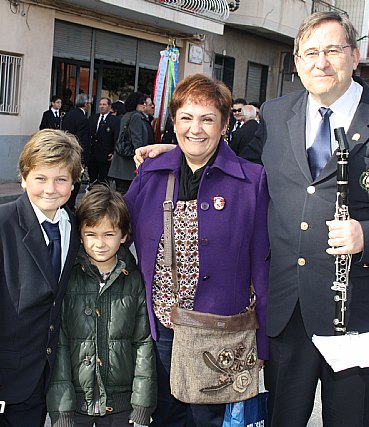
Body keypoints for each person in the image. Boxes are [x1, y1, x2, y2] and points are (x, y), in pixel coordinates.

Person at [135, 12, 369, 427]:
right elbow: (235, 170)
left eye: (333, 50)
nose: (322, 62)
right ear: (297, 62)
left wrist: (368, 233)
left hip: (355, 311)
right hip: (287, 311)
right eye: (311, 52)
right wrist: (174, 154)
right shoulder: (278, 114)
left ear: (354, 57)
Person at [125, 74, 269, 427]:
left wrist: (263, 340)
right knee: (165, 418)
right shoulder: (150, 175)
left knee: (211, 421)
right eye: (186, 118)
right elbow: (114, 231)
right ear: (173, 123)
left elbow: (263, 263)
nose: (196, 129)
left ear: (224, 125)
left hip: (221, 336)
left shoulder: (252, 181)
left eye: (207, 118)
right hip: (162, 331)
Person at [0, 129, 83, 427]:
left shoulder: (73, 227)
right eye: (40, 178)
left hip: (34, 382)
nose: (50, 188)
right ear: (23, 179)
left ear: (73, 184)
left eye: (61, 179)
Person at [47, 184, 156, 427]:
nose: (100, 243)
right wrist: (62, 412)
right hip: (76, 405)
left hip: (122, 405)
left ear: (125, 235)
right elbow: (60, 345)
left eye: (109, 234)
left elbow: (143, 345)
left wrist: (141, 408)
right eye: (91, 234)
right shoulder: (68, 278)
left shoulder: (134, 280)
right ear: (80, 235)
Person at [108, 92, 149, 194]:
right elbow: (137, 139)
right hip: (129, 167)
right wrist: (141, 158)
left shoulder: (127, 115)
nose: (144, 105)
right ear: (135, 103)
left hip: (120, 165)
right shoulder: (136, 117)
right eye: (142, 102)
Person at [62, 93, 91, 210]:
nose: (89, 106)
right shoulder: (83, 119)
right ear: (85, 104)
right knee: (76, 182)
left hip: (66, 152)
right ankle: (70, 206)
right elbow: (82, 141)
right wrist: (83, 160)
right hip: (77, 156)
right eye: (89, 103)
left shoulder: (68, 115)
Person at [88, 97, 120, 185]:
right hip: (93, 155)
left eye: (104, 105)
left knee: (104, 180)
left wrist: (114, 152)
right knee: (92, 179)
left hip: (105, 155)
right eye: (100, 104)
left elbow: (116, 138)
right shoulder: (93, 118)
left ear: (109, 107)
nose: (102, 107)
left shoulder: (115, 121)